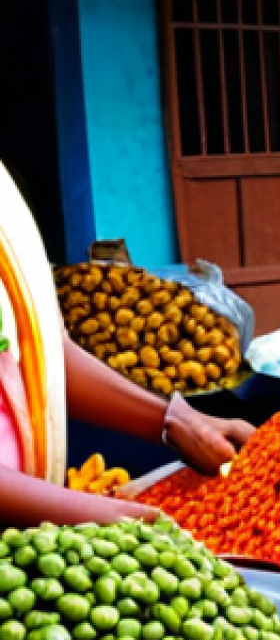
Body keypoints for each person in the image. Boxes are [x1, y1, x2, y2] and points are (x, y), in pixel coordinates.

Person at [0, 160, 253, 526]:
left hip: (32, 539)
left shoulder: (7, 198)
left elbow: (46, 356)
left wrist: (179, 420)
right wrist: (104, 517)